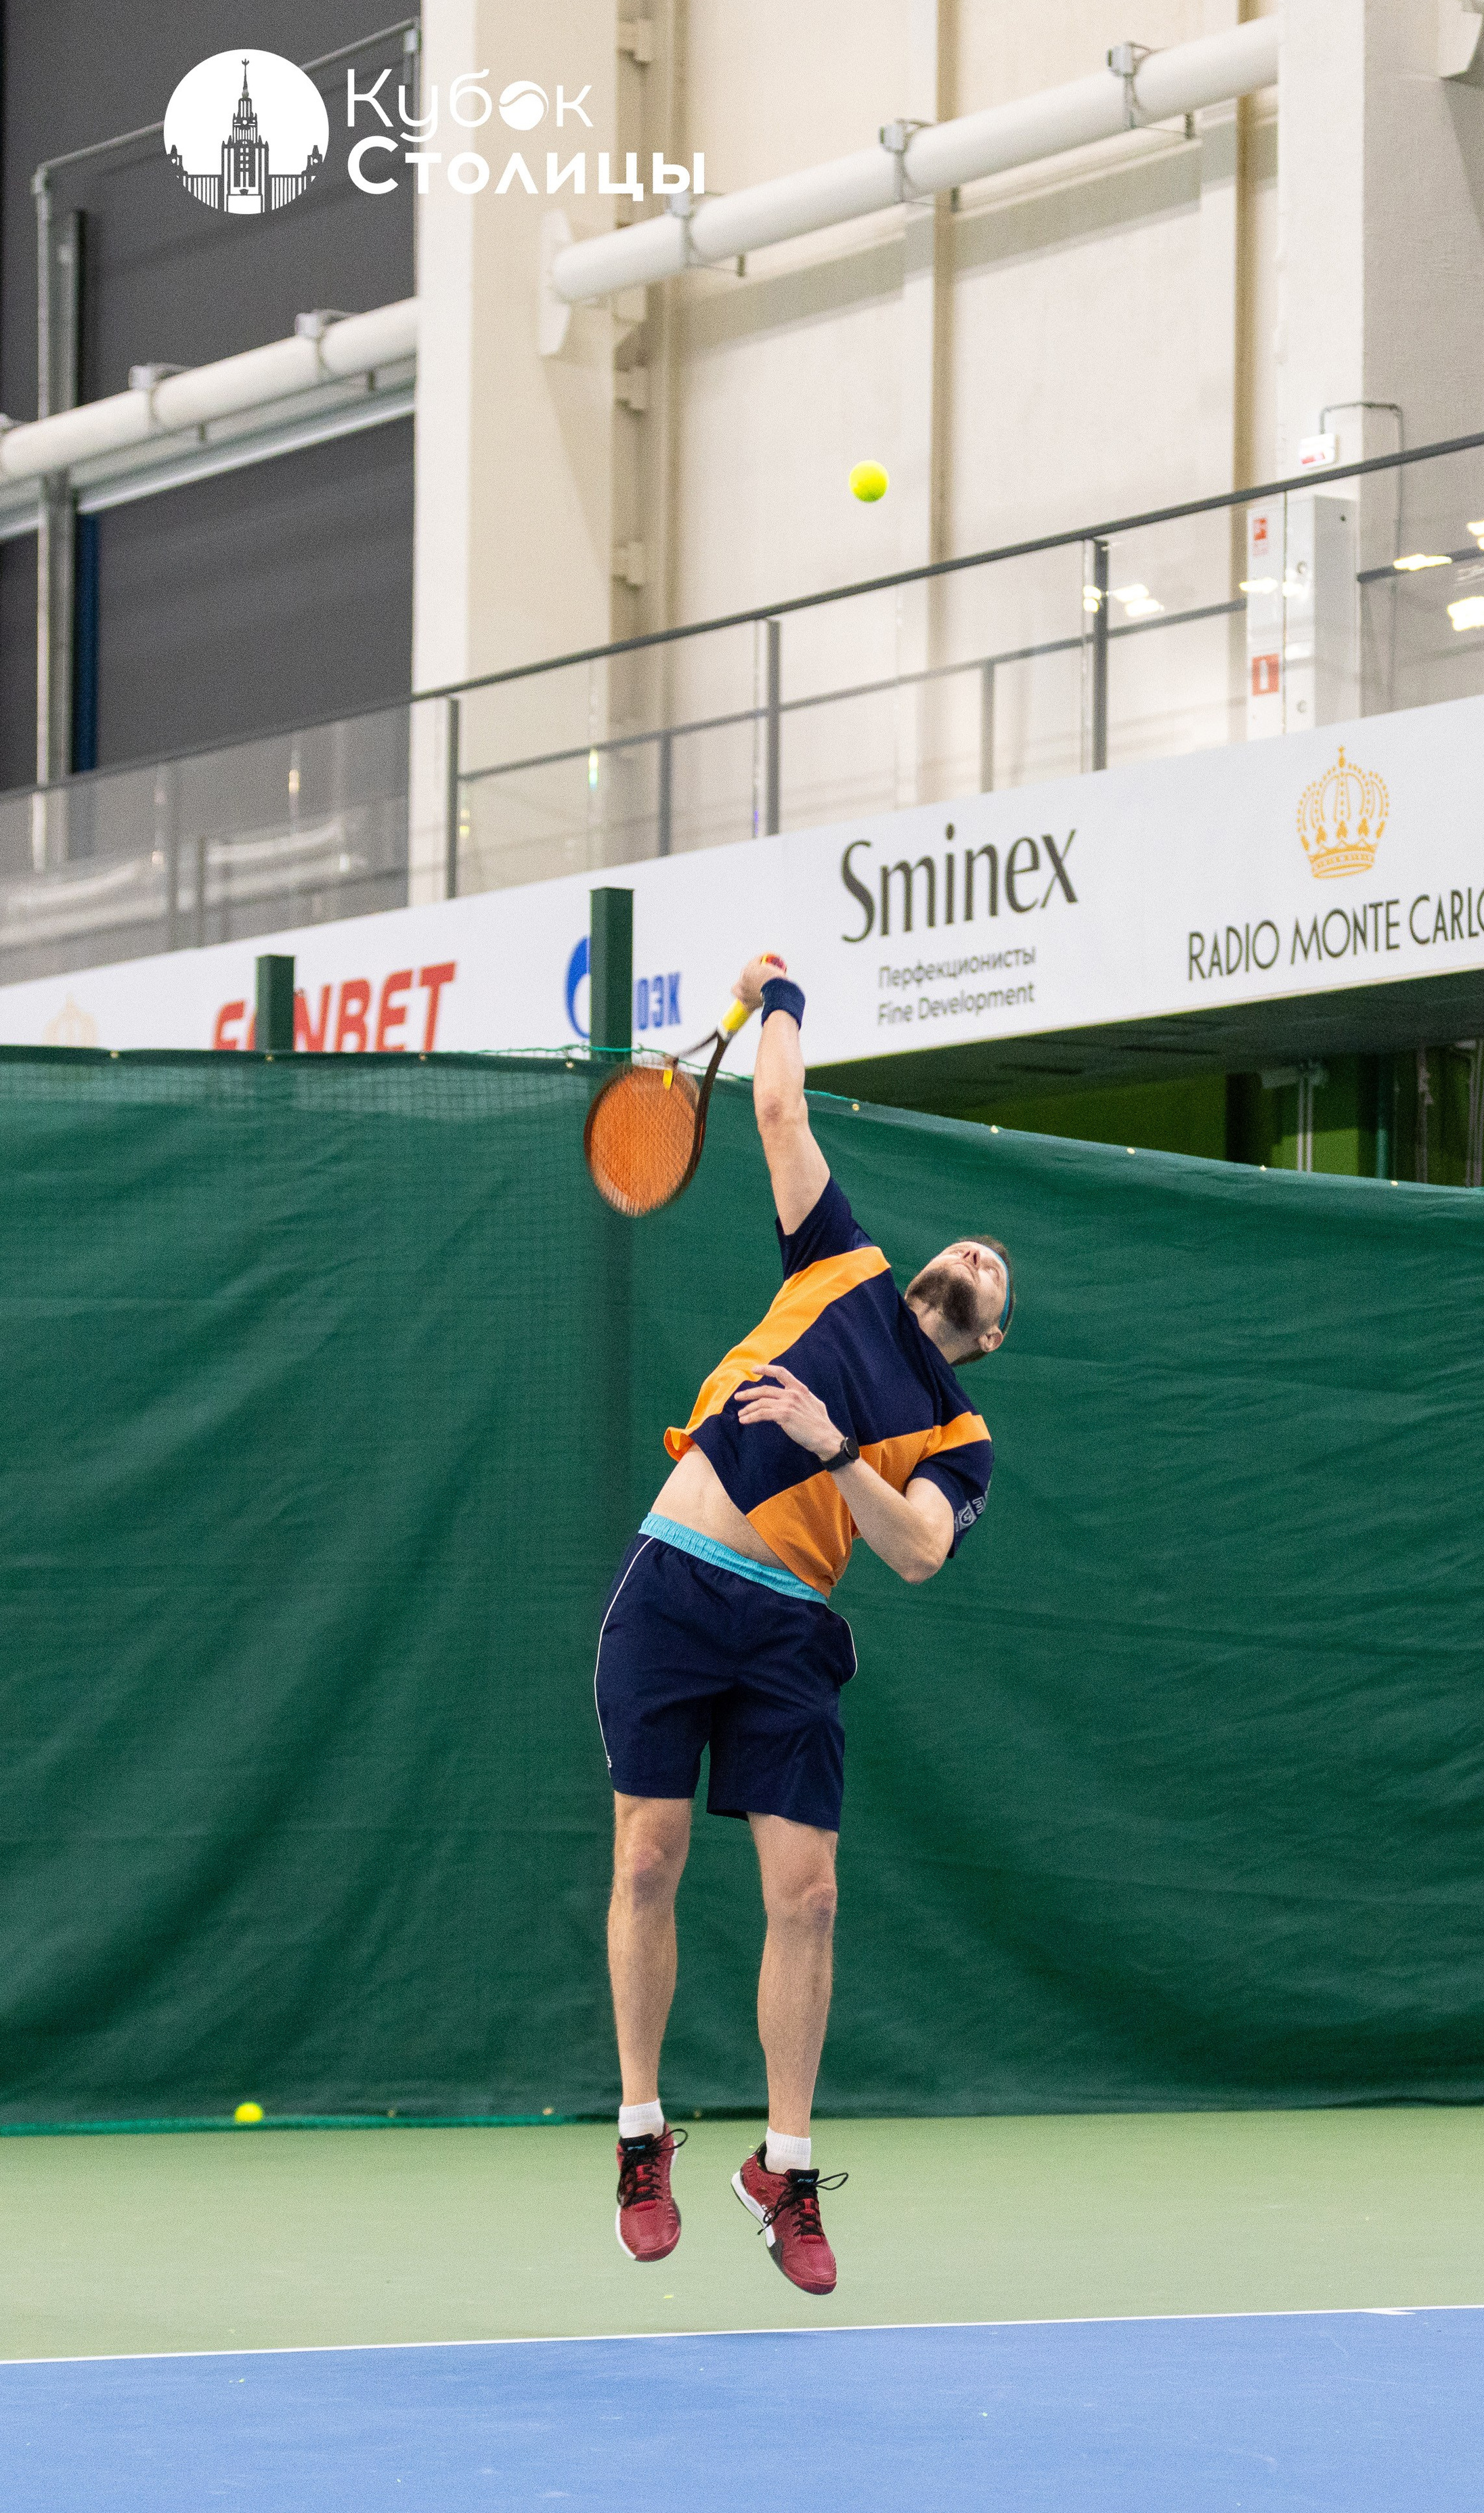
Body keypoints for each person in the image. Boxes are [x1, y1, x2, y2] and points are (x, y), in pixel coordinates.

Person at [594, 953, 1011, 2296]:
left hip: (789, 1630)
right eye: (966, 1249)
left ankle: (782, 2163)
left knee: (808, 1895)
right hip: (672, 1582)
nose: (971, 1265)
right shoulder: (839, 1263)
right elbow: (777, 1112)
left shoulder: (959, 1435)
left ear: (984, 1340)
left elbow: (922, 1551)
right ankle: (642, 2128)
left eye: (989, 1285)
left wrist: (838, 1450)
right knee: (648, 1858)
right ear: (925, 1264)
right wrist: (781, 996)